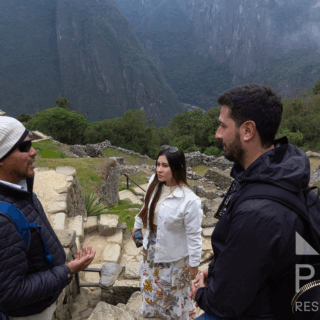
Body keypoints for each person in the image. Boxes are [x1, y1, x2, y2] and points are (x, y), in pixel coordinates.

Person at [189, 84, 309, 320]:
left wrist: (201, 293)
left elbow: (225, 302)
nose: (217, 134)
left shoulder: (259, 213)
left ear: (247, 130)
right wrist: (213, 271)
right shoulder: (280, 171)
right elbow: (246, 256)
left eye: (223, 126)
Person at [0, 116, 96, 320]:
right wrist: (68, 270)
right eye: (24, 147)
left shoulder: (20, 188)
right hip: (28, 313)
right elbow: (10, 293)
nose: (34, 152)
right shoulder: (3, 219)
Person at [132, 146, 203, 320]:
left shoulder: (189, 200)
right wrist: (138, 224)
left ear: (177, 167)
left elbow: (194, 235)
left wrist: (194, 264)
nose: (159, 169)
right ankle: (152, 311)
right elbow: (146, 205)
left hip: (174, 256)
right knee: (151, 283)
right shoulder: (154, 183)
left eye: (165, 165)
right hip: (151, 247)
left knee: (171, 291)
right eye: (158, 164)